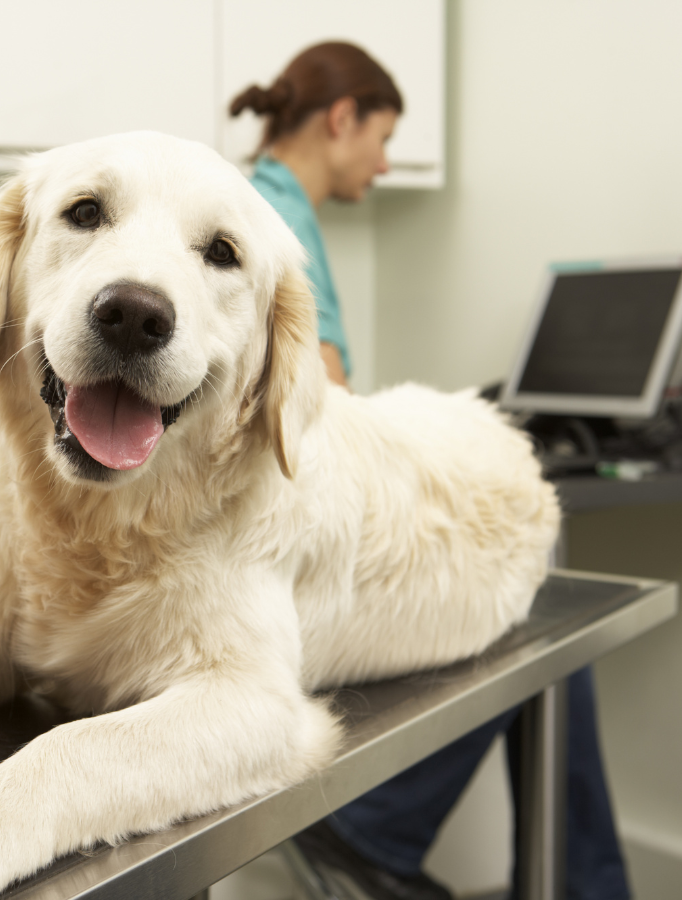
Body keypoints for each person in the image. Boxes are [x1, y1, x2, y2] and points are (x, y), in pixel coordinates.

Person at [230, 42, 630, 900]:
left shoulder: (259, 204)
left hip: (263, 545)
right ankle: (377, 830)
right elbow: (319, 420)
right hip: (273, 563)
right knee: (531, 593)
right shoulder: (276, 223)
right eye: (381, 137)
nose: (383, 162)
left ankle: (405, 837)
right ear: (342, 119)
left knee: (529, 598)